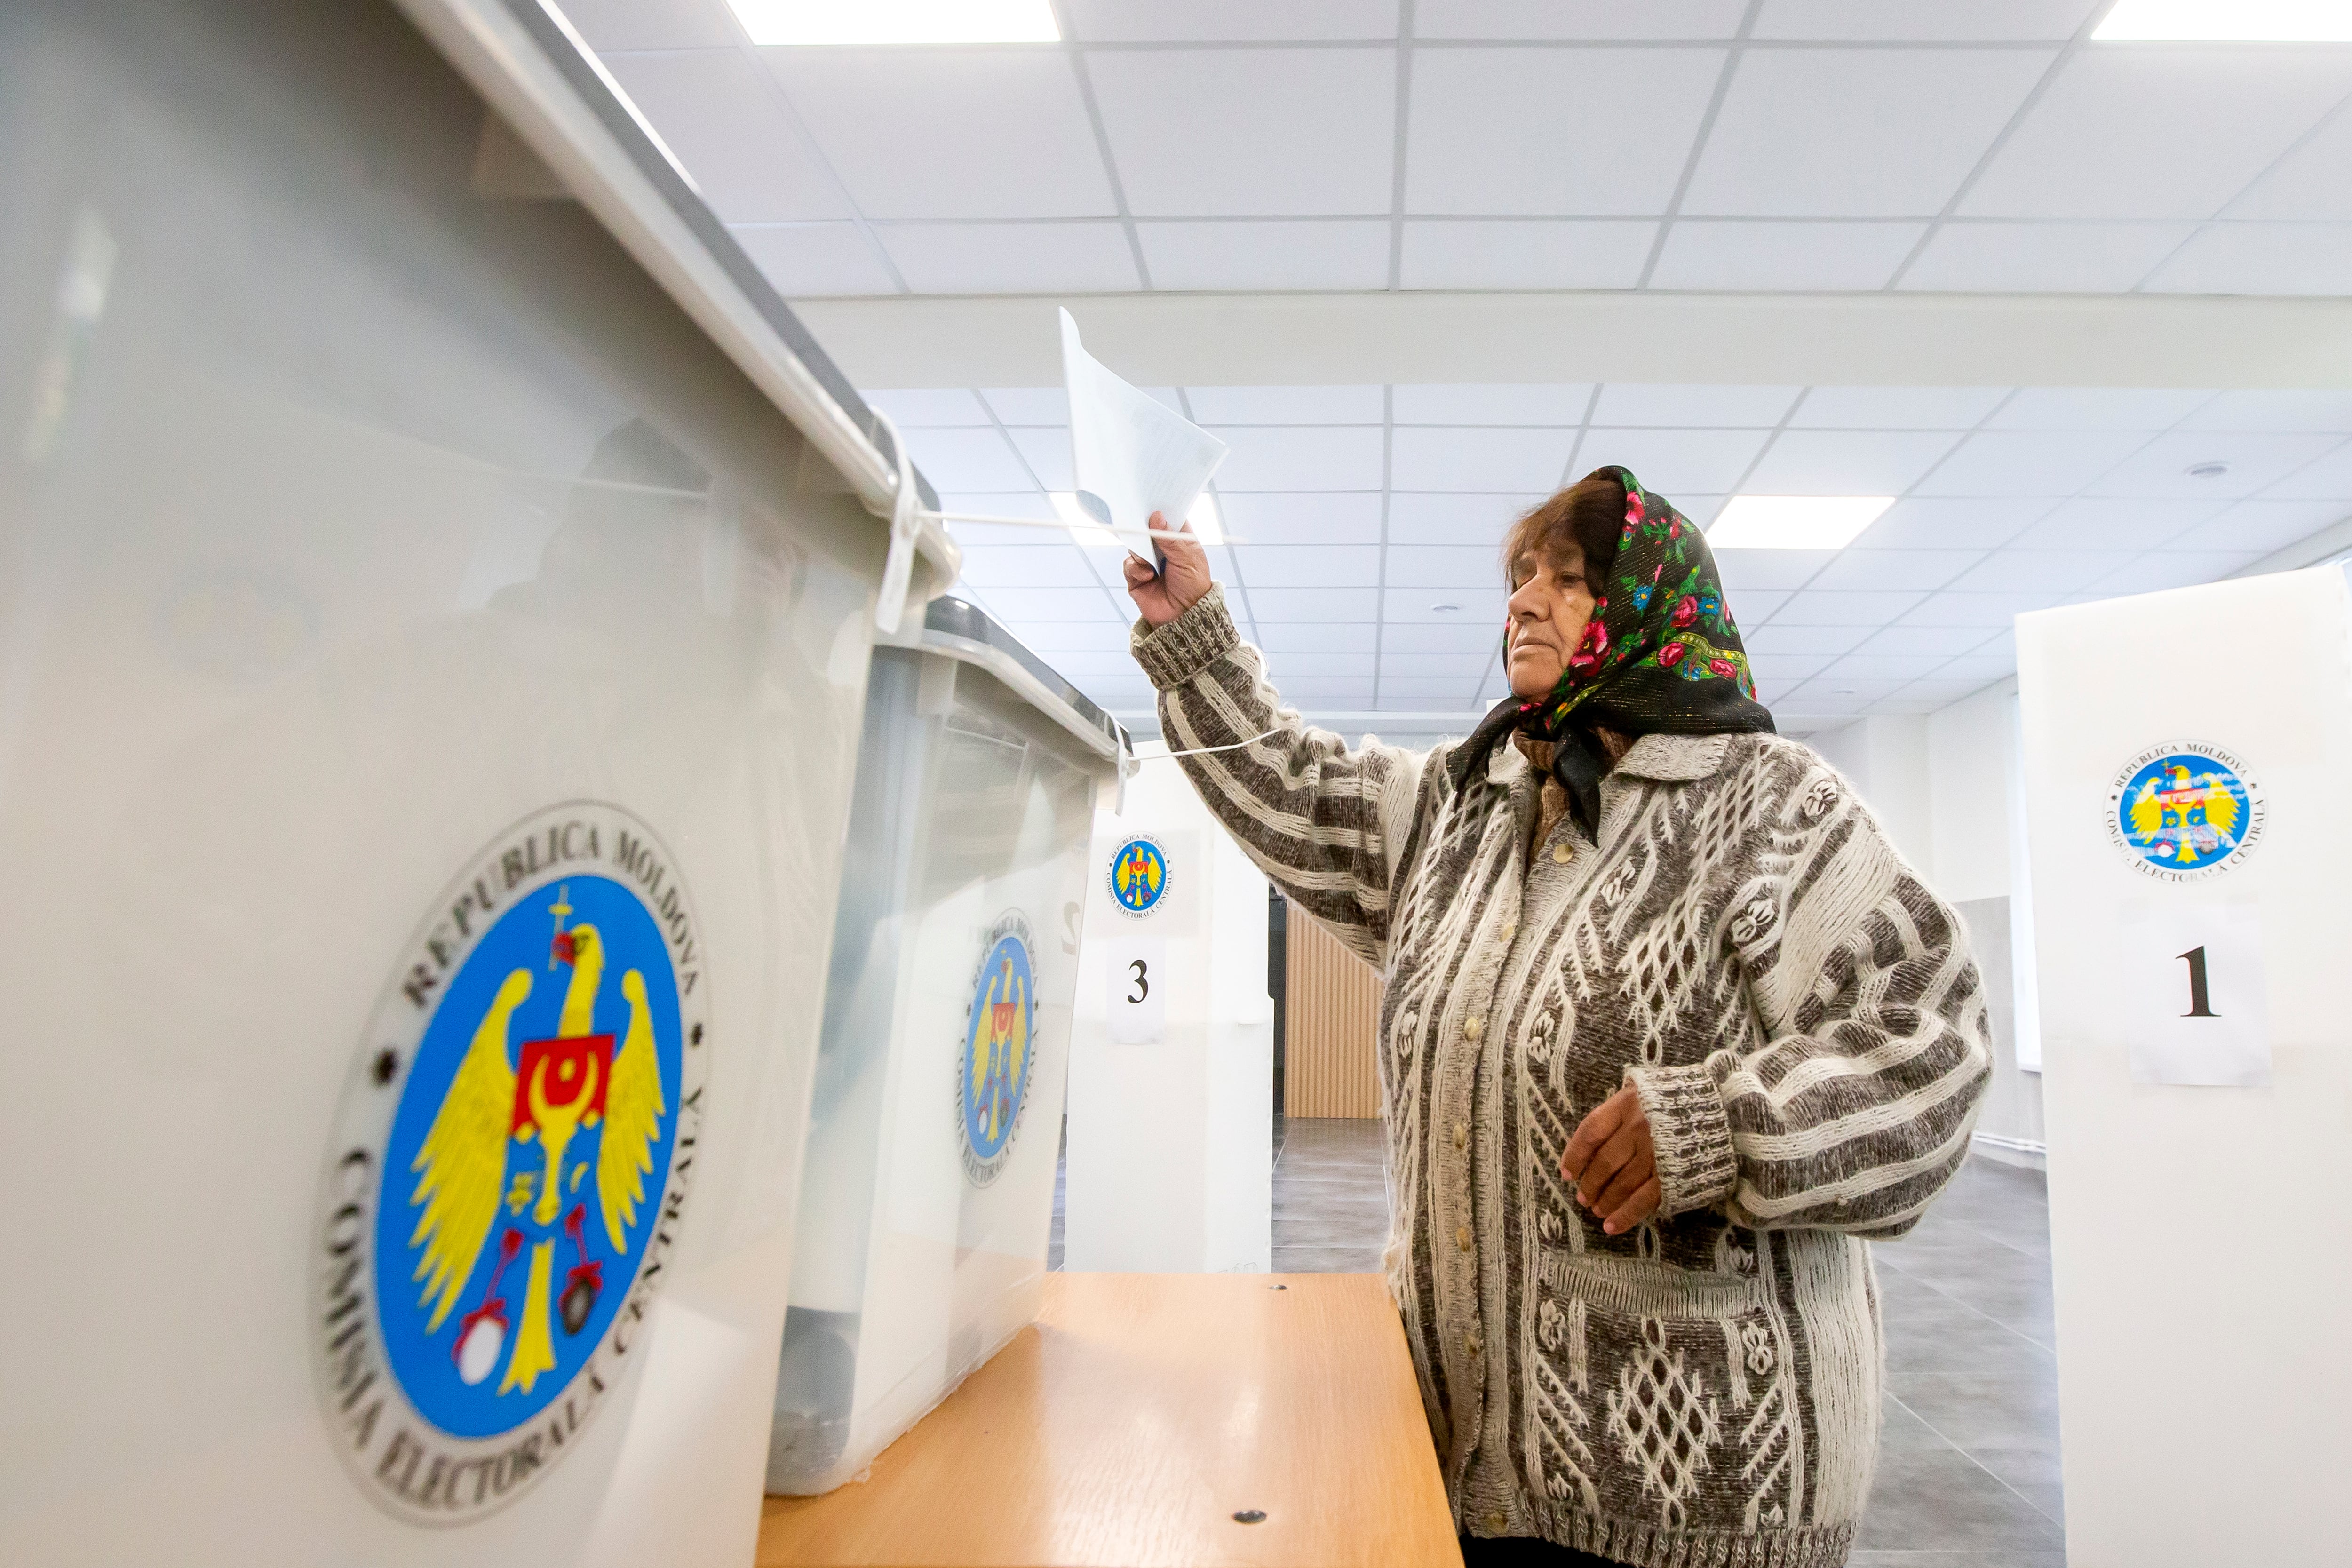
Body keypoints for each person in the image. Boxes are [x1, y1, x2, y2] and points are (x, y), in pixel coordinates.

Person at [1122, 466, 1992, 1568]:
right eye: (1520, 577)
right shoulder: (1467, 802)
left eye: (1568, 579)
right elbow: (1306, 793)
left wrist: (1723, 1124)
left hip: (1697, 1499)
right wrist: (1196, 640)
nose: (1524, 602)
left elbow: (1933, 1044)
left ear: (1646, 610)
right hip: (1458, 1461)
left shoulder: (1772, 801)